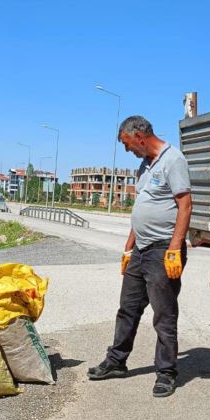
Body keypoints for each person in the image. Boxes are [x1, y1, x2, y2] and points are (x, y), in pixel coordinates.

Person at [87, 115, 192, 397]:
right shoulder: (143, 167)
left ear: (140, 137)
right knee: (128, 308)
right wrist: (128, 247)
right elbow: (140, 210)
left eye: (127, 144)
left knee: (164, 314)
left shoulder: (173, 160)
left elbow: (185, 206)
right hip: (141, 249)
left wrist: (174, 249)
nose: (126, 150)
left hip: (163, 250)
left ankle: (167, 372)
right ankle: (116, 362)